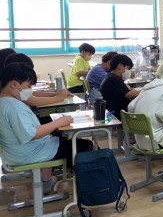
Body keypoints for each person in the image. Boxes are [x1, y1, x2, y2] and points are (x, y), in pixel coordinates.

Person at [0, 63, 92, 194]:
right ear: (14, 85)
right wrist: (59, 122)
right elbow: (31, 134)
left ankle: (48, 180)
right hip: (29, 153)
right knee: (84, 146)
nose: (30, 90)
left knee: (62, 139)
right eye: (28, 86)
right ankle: (87, 189)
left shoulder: (4, 102)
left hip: (17, 152)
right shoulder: (14, 107)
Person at [4, 53, 73, 109]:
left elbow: (32, 93)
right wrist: (58, 98)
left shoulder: (14, 87)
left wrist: (55, 94)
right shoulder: (15, 88)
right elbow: (35, 101)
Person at [99, 54, 140, 119]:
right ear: (120, 66)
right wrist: (145, 90)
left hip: (111, 113)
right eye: (128, 68)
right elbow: (128, 94)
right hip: (116, 116)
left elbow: (124, 91)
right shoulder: (114, 79)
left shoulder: (110, 77)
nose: (129, 71)